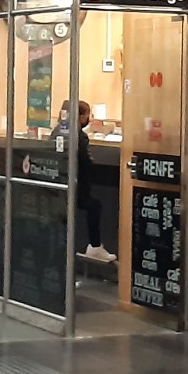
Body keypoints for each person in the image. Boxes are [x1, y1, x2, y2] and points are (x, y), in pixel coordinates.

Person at [57, 100, 114, 264]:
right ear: (81, 116)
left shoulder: (58, 131)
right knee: (94, 205)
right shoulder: (79, 136)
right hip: (74, 187)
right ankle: (95, 246)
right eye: (87, 115)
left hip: (58, 186)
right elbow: (86, 164)